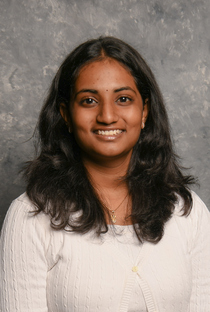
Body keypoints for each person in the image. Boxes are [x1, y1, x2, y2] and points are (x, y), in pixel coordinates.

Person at [0, 36, 210, 312]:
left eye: (123, 99)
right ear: (66, 114)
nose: (107, 116)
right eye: (89, 100)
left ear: (144, 111)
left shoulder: (188, 212)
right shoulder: (31, 217)